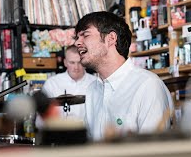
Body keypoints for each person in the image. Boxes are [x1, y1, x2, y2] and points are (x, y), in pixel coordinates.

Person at [74, 11, 174, 141]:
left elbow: (154, 150)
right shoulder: (93, 89)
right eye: (77, 37)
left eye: (85, 35)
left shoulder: (147, 86)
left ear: (111, 38)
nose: (77, 43)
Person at [41, 45, 96, 121]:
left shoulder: (96, 83)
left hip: (88, 132)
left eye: (79, 62)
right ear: (65, 63)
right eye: (72, 62)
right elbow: (43, 116)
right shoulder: (52, 83)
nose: (76, 67)